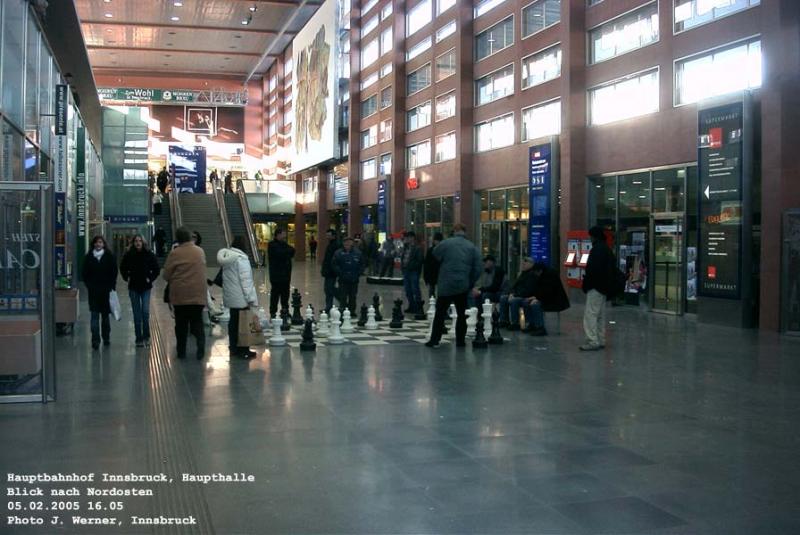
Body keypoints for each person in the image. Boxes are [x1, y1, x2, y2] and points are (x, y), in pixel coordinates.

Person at [426, 224, 482, 348]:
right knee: (461, 314)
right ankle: (460, 341)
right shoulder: (472, 247)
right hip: (462, 284)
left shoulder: (446, 243)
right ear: (465, 232)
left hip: (445, 284)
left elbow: (435, 253)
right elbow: (478, 268)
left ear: (454, 231)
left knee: (440, 313)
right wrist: (470, 281)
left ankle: (435, 340)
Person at [162, 226, 207, 360]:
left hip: (180, 295)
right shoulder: (200, 251)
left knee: (181, 325)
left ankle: (181, 351)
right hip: (198, 293)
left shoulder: (175, 253)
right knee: (197, 322)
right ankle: (200, 348)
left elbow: (166, 274)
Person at [218, 236, 259, 359]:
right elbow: (245, 281)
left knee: (234, 322)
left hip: (231, 297)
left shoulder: (227, 258)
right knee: (244, 324)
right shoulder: (241, 259)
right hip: (241, 298)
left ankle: (233, 348)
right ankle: (243, 349)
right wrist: (250, 298)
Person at [119, 235, 160, 347]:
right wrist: (126, 276)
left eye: (140, 241)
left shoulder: (148, 254)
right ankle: (139, 338)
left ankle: (146, 336)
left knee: (145, 312)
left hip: (146, 287)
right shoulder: (129, 255)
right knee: (137, 314)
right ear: (133, 243)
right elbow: (122, 267)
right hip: (133, 287)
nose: (138, 243)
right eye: (136, 241)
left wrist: (150, 278)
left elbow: (156, 269)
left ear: (143, 242)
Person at [82, 236, 118, 350]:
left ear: (104, 244)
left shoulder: (109, 257)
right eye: (96, 242)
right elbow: (84, 274)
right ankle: (95, 340)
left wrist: (111, 286)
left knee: (105, 318)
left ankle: (106, 337)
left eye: (100, 242)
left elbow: (114, 272)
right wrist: (89, 286)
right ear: (93, 244)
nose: (98, 244)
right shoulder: (89, 257)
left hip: (106, 292)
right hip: (93, 292)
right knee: (94, 317)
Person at [581, 226, 614, 351]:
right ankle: (600, 339)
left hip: (595, 287)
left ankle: (592, 340)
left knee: (590, 314)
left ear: (594, 236)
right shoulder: (606, 249)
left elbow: (592, 270)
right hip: (604, 287)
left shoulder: (597, 250)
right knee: (600, 315)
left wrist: (587, 284)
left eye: (590, 236)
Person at [527, 262, 570, 336]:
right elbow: (539, 289)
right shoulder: (542, 275)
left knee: (535, 305)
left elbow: (549, 291)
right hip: (547, 298)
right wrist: (534, 297)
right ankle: (532, 324)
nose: (535, 275)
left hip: (555, 301)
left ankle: (540, 328)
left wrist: (537, 298)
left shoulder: (550, 275)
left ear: (539, 271)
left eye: (536, 273)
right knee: (526, 302)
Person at [498, 257, 538, 331]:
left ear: (531, 264)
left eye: (525, 263)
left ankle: (515, 323)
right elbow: (514, 286)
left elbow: (528, 290)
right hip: (517, 294)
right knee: (503, 298)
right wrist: (511, 293)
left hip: (526, 296)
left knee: (514, 301)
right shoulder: (522, 274)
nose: (523, 265)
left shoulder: (532, 275)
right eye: (522, 263)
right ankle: (504, 321)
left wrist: (515, 295)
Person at [267, 228, 295, 318]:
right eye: (283, 234)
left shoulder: (284, 244)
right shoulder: (272, 245)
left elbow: (292, 250)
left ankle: (285, 310)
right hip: (276, 276)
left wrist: (285, 252)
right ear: (277, 235)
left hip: (286, 276)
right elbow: (280, 254)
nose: (285, 236)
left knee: (285, 294)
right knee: (275, 295)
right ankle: (273, 312)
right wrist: (286, 253)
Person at [332, 237, 364, 315]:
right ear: (343, 243)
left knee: (353, 296)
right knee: (343, 296)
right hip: (343, 279)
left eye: (349, 243)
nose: (347, 245)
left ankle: (352, 311)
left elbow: (362, 264)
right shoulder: (338, 253)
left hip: (354, 279)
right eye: (346, 243)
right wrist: (340, 272)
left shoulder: (358, 253)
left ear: (352, 243)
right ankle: (343, 309)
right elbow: (334, 264)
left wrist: (358, 273)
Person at [401, 231, 424, 313]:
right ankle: (411, 305)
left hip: (413, 271)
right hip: (406, 271)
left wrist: (412, 266)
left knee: (415, 289)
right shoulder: (405, 247)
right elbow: (403, 258)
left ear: (412, 238)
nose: (406, 239)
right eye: (406, 237)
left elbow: (420, 260)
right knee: (408, 290)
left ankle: (418, 306)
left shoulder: (417, 248)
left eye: (408, 237)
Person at [320, 229, 340, 312]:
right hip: (328, 271)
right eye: (326, 235)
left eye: (329, 235)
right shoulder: (330, 244)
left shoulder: (335, 245)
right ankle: (329, 305)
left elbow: (333, 260)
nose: (327, 237)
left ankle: (340, 299)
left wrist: (333, 269)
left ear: (333, 236)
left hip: (331, 271)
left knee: (329, 288)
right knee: (327, 289)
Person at [423, 232, 443, 298]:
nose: (437, 242)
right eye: (436, 240)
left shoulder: (443, 250)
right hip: (432, 273)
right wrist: (426, 276)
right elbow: (426, 264)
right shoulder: (430, 250)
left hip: (440, 273)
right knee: (431, 290)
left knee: (440, 290)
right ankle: (433, 303)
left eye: (439, 240)